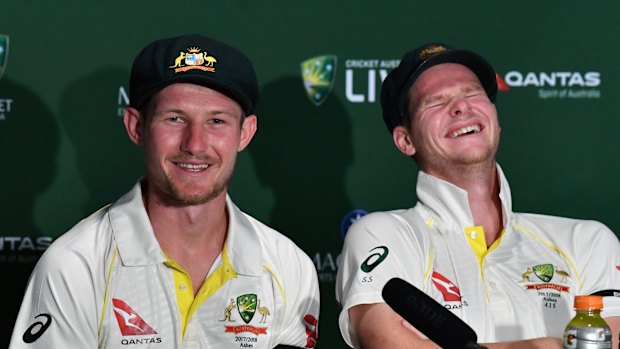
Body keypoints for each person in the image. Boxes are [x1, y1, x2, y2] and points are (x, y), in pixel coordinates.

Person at [9, 34, 319, 349]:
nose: (195, 144)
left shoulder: (289, 266)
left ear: (245, 132)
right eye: (174, 119)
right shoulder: (75, 265)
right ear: (136, 126)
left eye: (216, 121)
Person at [335, 43, 620, 348]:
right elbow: (388, 344)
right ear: (405, 140)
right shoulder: (383, 235)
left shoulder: (587, 241)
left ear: (496, 121)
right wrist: (548, 346)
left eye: (472, 94)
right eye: (436, 101)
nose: (461, 107)